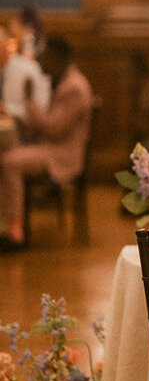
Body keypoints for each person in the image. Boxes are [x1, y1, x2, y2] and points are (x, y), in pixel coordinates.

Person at [0, 35, 92, 252]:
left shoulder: (74, 87)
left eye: (44, 57)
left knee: (9, 162)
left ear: (57, 58)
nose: (40, 62)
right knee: (7, 155)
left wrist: (30, 101)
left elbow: (53, 128)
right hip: (51, 147)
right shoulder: (61, 81)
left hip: (63, 155)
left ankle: (13, 231)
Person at [0, 21, 51, 124]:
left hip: (23, 129)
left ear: (5, 49)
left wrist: (7, 109)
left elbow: (42, 107)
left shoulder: (28, 69)